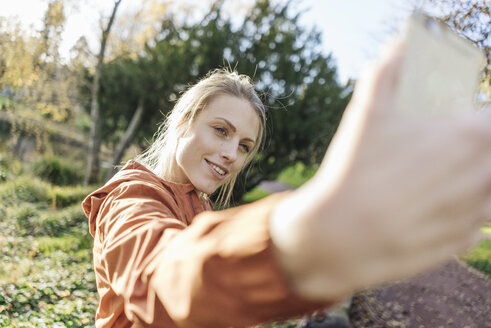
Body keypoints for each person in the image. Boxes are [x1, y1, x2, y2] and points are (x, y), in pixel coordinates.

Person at [82, 41, 490, 327]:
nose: (231, 154)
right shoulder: (132, 195)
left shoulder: (200, 205)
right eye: (220, 130)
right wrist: (300, 238)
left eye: (244, 146)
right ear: (183, 122)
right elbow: (161, 277)